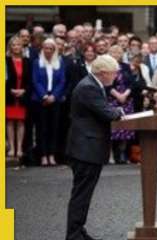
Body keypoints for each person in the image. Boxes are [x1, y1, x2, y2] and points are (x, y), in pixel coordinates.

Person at [65, 55, 124, 240]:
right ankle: (74, 235)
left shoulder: (92, 84)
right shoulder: (89, 87)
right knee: (81, 195)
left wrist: (114, 111)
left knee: (83, 194)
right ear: (104, 73)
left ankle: (78, 231)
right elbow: (106, 113)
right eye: (114, 73)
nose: (116, 77)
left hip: (87, 147)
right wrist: (118, 111)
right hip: (85, 149)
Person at [31, 38, 66, 166]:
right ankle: (43, 155)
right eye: (46, 48)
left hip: (55, 100)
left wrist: (54, 96)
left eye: (51, 48)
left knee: (54, 129)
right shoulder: (37, 62)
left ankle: (52, 155)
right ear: (42, 49)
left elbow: (62, 81)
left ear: (54, 50)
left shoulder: (59, 62)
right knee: (42, 129)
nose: (48, 50)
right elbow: (35, 81)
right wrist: (44, 96)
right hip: (40, 100)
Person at [107, 45, 135, 164]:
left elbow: (131, 83)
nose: (116, 54)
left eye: (118, 52)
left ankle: (122, 153)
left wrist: (125, 94)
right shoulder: (106, 66)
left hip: (126, 100)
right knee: (112, 128)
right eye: (113, 52)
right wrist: (118, 95)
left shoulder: (126, 66)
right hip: (111, 99)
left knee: (125, 127)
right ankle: (110, 155)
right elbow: (106, 84)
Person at [6, 36, 31, 160]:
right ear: (10, 47)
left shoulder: (27, 61)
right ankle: (11, 148)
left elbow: (31, 79)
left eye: (19, 45)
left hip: (23, 95)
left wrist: (24, 90)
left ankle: (20, 148)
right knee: (10, 122)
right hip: (9, 95)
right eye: (14, 45)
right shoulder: (5, 60)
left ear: (22, 47)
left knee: (21, 122)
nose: (16, 47)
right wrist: (10, 90)